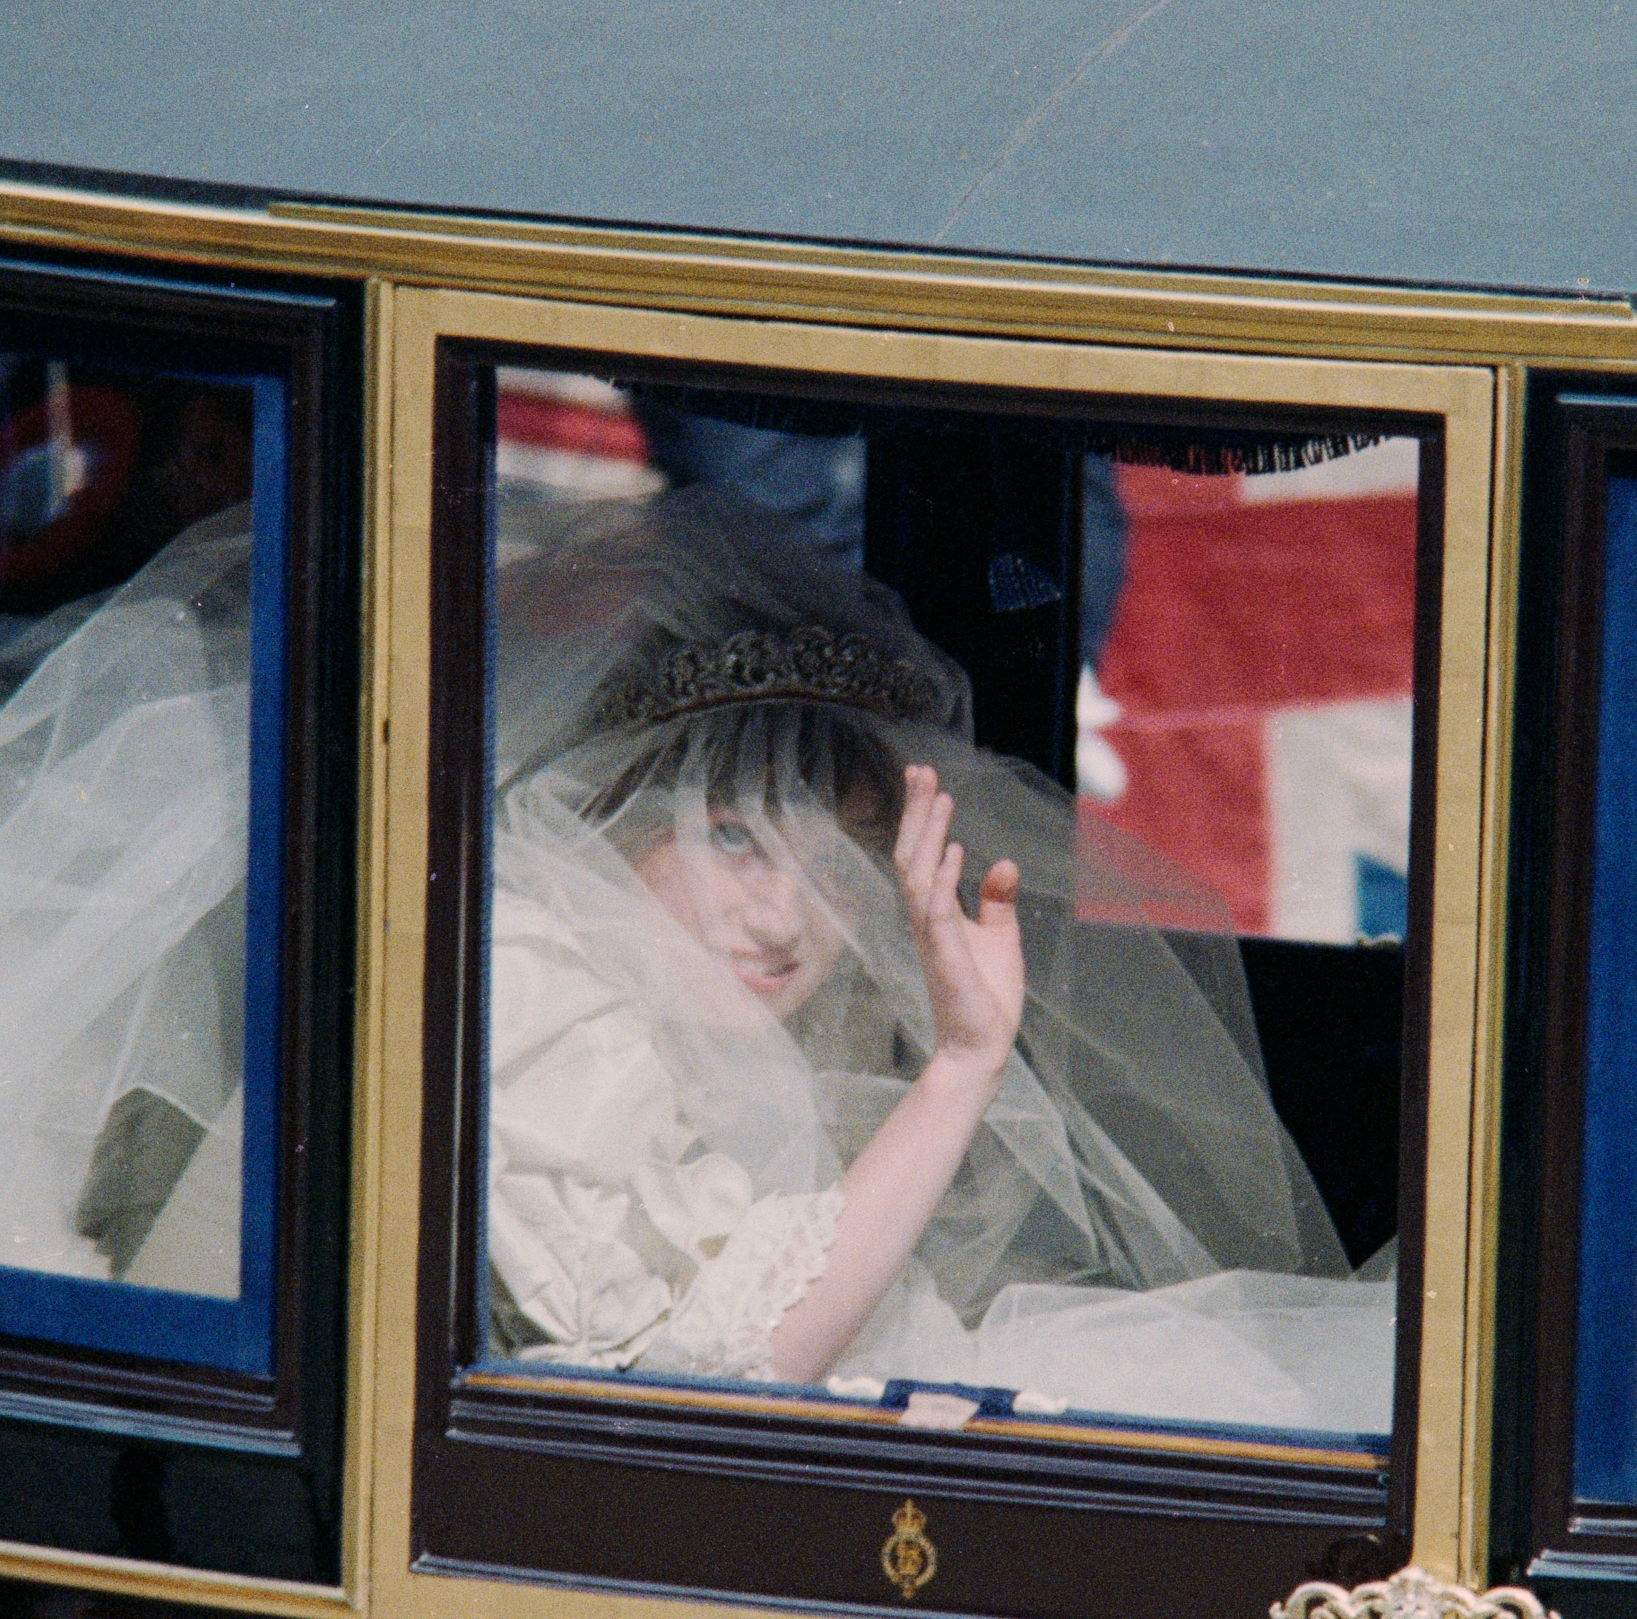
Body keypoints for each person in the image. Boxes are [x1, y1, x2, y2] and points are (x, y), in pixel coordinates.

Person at [480, 491, 1390, 1438]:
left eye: (839, 869)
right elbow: (720, 1388)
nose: (788, 919)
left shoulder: (780, 1047)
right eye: (733, 836)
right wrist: (961, 1068)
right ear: (615, 825)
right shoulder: (534, 998)